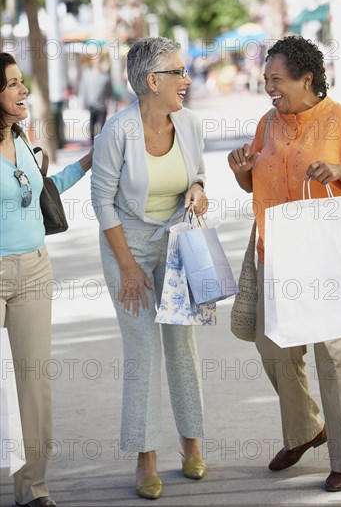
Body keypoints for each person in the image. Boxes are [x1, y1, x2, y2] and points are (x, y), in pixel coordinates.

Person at [228, 36, 341, 492]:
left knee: (338, 358)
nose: (269, 87)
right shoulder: (268, 123)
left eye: (276, 79)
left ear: (306, 78)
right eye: (266, 78)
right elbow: (253, 184)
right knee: (275, 348)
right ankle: (307, 428)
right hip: (277, 254)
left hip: (330, 259)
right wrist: (239, 169)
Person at [91, 36, 209, 500]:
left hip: (178, 240)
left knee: (182, 343)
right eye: (177, 72)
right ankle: (145, 456)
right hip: (128, 245)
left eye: (184, 71)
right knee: (143, 348)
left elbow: (196, 174)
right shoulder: (117, 131)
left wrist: (197, 189)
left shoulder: (191, 124)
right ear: (151, 80)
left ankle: (192, 441)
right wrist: (129, 267)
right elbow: (102, 203)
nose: (186, 79)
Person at [0, 52, 93, 507]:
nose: (23, 92)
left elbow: (43, 190)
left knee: (33, 381)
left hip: (35, 267)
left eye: (21, 82)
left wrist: (89, 162)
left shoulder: (20, 138)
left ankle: (33, 488)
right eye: (12, 84)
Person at [79, 55, 112, 144]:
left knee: (102, 127)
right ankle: (92, 145)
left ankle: (101, 144)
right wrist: (82, 103)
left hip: (102, 106)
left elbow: (109, 93)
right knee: (92, 126)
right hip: (92, 105)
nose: (97, 62)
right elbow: (84, 89)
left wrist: (111, 105)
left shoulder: (106, 76)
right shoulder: (87, 75)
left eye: (99, 60)